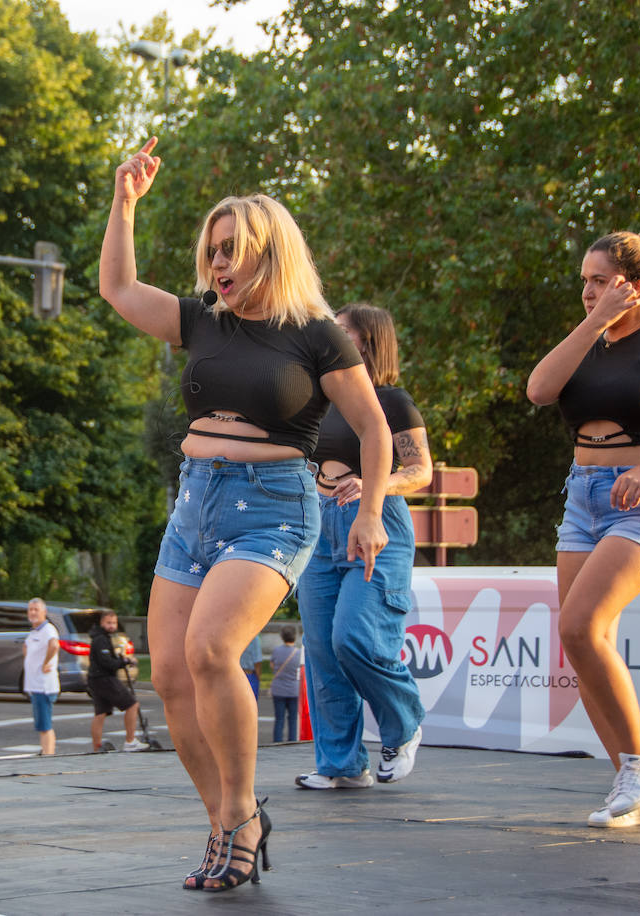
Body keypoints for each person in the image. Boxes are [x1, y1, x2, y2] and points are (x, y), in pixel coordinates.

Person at [99, 137, 393, 892]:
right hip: (194, 503)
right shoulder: (202, 320)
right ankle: (228, 822)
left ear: (271, 251)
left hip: (274, 510)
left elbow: (374, 428)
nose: (220, 265)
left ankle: (238, 810)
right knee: (168, 673)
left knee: (209, 651)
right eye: (213, 252)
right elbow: (120, 290)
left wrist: (371, 514)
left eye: (234, 250)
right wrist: (123, 205)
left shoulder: (317, 334)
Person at [527, 228, 640, 829]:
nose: (589, 290)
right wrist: (596, 320)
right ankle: (630, 780)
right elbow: (539, 390)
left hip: (639, 503)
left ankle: (639, 770)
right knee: (576, 641)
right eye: (585, 281)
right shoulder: (592, 340)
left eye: (601, 281)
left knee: (584, 623)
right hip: (581, 497)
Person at [296, 305, 432, 790]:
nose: (327, 334)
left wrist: (376, 487)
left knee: (352, 636)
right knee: (321, 652)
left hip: (375, 522)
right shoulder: (318, 396)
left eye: (340, 329)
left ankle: (404, 722)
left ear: (365, 342)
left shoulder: (391, 401)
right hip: (318, 523)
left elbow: (421, 471)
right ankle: (343, 765)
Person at [87, 610, 144, 753]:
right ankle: (130, 741)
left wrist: (121, 660)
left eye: (114, 623)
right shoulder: (100, 639)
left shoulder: (102, 637)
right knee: (132, 705)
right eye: (108, 623)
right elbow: (107, 663)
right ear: (102, 623)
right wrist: (124, 660)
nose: (112, 626)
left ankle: (97, 746)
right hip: (104, 678)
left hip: (96, 679)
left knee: (101, 713)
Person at [22, 598, 60, 756]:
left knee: (45, 726)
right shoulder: (34, 631)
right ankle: (46, 752)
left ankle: (48, 757)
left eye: (36, 609)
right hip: (35, 685)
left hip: (43, 685)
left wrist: (45, 663)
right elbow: (26, 648)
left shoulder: (48, 629)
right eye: (30, 609)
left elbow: (54, 645)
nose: (32, 612)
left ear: (44, 612)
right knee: (42, 725)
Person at [269, 625, 302, 743]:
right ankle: (292, 741)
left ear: (282, 637)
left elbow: (272, 665)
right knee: (293, 719)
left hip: (278, 689)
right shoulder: (299, 653)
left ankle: (277, 741)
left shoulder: (276, 651)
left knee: (279, 718)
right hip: (294, 689)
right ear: (295, 636)